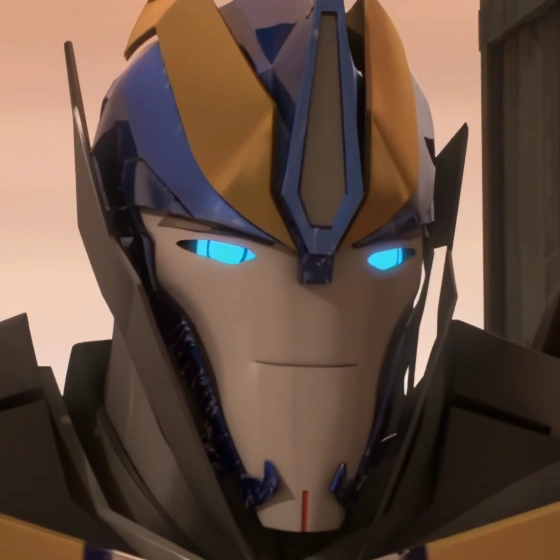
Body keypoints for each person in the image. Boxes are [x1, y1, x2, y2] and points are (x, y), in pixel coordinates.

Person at [3, 0, 560, 559]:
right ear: (122, 245)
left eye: (383, 259)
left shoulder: (521, 489)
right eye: (222, 250)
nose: (312, 318)